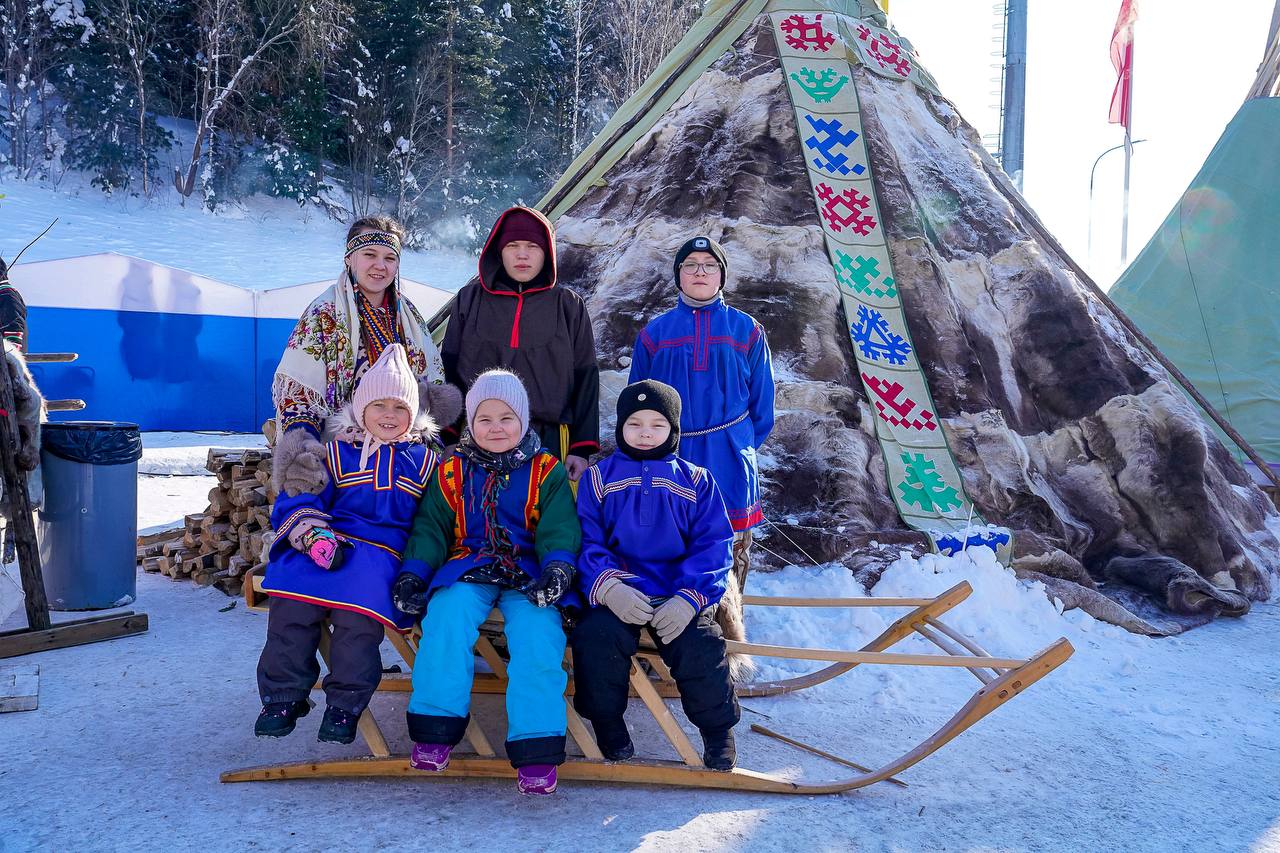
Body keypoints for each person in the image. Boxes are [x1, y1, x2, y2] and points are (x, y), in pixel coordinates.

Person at [392, 370, 581, 796]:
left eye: (506, 418)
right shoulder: (452, 469)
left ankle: (536, 747)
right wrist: (413, 573)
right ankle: (435, 727)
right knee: (445, 618)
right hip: (469, 564)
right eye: (485, 419)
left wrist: (557, 570)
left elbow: (559, 527)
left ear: (525, 420)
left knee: (538, 634)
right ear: (470, 424)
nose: (496, 428)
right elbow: (431, 528)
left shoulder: (545, 469)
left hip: (528, 571)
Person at [254, 344, 441, 745]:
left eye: (399, 407)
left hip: (381, 555)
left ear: (413, 415)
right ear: (359, 410)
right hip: (326, 541)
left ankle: (345, 704)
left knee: (358, 620)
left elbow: (436, 519)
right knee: (292, 604)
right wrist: (310, 533)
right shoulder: (335, 454)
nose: (388, 416)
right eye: (379, 406)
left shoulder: (426, 463)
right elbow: (302, 493)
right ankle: (282, 695)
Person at [570, 380, 740, 770]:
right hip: (620, 590)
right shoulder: (598, 478)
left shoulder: (696, 480)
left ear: (674, 430)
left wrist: (690, 597)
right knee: (595, 640)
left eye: (657, 425)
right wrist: (608, 587)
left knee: (701, 648)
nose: (645, 433)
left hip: (677, 591)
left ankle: (718, 732)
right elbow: (587, 540)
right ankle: (608, 724)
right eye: (634, 424)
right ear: (620, 428)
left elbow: (714, 544)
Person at [272, 215, 462, 498]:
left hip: (404, 453)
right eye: (370, 255)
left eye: (390, 258)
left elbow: (428, 384)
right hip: (344, 455)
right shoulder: (324, 313)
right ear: (349, 258)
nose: (380, 266)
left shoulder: (407, 316)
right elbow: (299, 394)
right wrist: (304, 456)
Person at [628, 236, 774, 591]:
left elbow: (762, 404)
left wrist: (740, 445)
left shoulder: (747, 330)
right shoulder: (655, 333)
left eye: (709, 265)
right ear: (678, 275)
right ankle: (676, 623)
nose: (700, 272)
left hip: (729, 454)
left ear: (721, 276)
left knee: (731, 546)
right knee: (672, 542)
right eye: (690, 265)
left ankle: (729, 621)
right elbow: (636, 401)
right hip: (673, 456)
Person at [440, 206, 599, 481]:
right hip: (477, 434)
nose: (522, 254)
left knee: (543, 518)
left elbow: (586, 375)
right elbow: (450, 367)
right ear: (499, 250)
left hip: (548, 436)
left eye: (533, 246)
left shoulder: (568, 305)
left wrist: (580, 447)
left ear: (547, 252)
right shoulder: (470, 299)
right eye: (513, 245)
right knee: (473, 516)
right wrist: (449, 434)